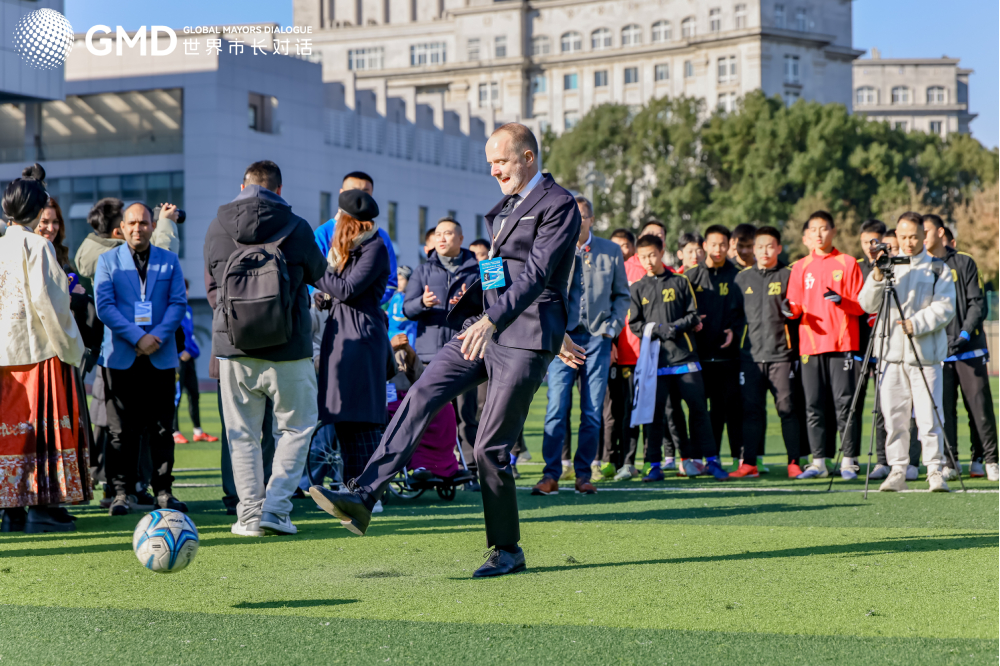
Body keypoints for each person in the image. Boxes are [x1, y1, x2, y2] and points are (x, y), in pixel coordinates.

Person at [309, 123, 584, 578]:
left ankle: (507, 549)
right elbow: (497, 272)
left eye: (501, 161)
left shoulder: (559, 205)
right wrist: (482, 313)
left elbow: (538, 275)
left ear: (529, 157)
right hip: (488, 329)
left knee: (490, 447)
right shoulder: (502, 208)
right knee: (422, 392)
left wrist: (534, 326)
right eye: (490, 161)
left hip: (524, 337)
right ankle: (362, 496)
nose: (493, 170)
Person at [204, 160, 327, 536]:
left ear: (242, 185)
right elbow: (319, 275)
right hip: (289, 347)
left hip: (235, 348)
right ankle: (276, 509)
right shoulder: (297, 226)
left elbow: (212, 287)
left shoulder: (217, 225)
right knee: (296, 428)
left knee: (241, 435)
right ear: (279, 188)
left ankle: (249, 515)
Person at [0, 167, 90, 534]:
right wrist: (72, 346)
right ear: (37, 211)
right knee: (44, 431)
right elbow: (48, 302)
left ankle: (12, 510)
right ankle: (43, 506)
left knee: (11, 432)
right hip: (38, 350)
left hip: (5, 353)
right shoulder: (38, 246)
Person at [95, 201, 188, 515]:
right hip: (121, 356)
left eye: (145, 223)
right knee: (121, 431)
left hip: (160, 355)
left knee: (162, 428)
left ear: (153, 225)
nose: (138, 229)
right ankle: (121, 492)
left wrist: (156, 338)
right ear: (122, 227)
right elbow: (105, 306)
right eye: (132, 223)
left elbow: (177, 303)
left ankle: (163, 491)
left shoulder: (170, 261)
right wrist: (138, 337)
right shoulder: (107, 261)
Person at [534, 196, 629, 496]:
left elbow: (622, 296)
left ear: (590, 219)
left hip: (597, 339)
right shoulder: (554, 249)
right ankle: (550, 474)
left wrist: (610, 330)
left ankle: (583, 475)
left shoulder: (611, 251)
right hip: (563, 341)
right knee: (556, 407)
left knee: (591, 411)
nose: (576, 221)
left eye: (582, 216)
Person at [858, 212, 955, 492]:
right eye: (902, 237)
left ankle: (934, 470)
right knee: (894, 416)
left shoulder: (938, 268)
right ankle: (898, 469)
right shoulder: (888, 266)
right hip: (890, 354)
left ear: (924, 235)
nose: (908, 242)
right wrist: (877, 275)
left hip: (925, 355)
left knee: (930, 415)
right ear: (896, 237)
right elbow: (866, 304)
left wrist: (917, 323)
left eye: (914, 236)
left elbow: (946, 308)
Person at [314, 189, 392, 498]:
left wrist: (316, 269)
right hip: (343, 334)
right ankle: (352, 488)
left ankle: (369, 491)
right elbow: (341, 292)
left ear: (349, 223)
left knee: (362, 418)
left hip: (360, 337)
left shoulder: (374, 248)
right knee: (344, 416)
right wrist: (324, 297)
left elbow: (347, 289)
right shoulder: (355, 250)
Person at [628, 234, 715, 480]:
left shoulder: (680, 281)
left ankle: (712, 461)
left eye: (652, 255)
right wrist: (657, 329)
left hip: (685, 358)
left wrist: (674, 328)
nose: (648, 261)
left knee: (698, 410)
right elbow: (635, 324)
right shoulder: (637, 287)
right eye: (643, 257)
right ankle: (654, 465)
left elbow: (693, 315)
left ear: (662, 252)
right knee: (655, 415)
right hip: (654, 363)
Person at [786, 211, 866, 479]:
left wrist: (840, 300)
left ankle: (849, 462)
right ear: (807, 235)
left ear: (833, 231)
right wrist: (789, 311)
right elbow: (795, 306)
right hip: (810, 346)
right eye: (814, 230)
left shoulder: (848, 263)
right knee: (813, 405)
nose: (819, 234)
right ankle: (818, 461)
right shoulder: (799, 267)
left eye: (824, 229)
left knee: (845, 404)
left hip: (841, 344)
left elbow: (860, 305)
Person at [404, 217, 481, 483]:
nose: (442, 238)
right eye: (438, 234)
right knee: (431, 415)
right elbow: (407, 309)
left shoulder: (477, 270)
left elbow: (492, 307)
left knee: (465, 416)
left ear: (461, 239)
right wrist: (422, 303)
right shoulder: (422, 270)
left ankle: (470, 470)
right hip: (429, 356)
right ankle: (429, 468)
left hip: (467, 352)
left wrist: (469, 304)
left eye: (448, 234)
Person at [923, 214, 998, 481]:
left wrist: (964, 334)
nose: (921, 237)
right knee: (943, 409)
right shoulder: (920, 267)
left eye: (926, 230)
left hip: (969, 348)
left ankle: (989, 460)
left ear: (940, 232)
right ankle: (950, 462)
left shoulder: (963, 261)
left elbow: (977, 304)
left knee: (979, 406)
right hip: (937, 352)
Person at [732, 227, 802, 478]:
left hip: (781, 356)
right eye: (759, 246)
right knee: (751, 411)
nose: (764, 251)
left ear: (779, 248)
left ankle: (794, 462)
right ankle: (749, 462)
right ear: (753, 249)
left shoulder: (789, 275)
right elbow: (735, 316)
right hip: (750, 357)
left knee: (787, 409)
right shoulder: (742, 278)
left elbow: (797, 314)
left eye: (770, 246)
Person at [683, 225, 740, 480]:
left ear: (729, 247)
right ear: (704, 245)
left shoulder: (737, 276)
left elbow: (742, 313)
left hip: (727, 357)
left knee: (721, 410)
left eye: (723, 245)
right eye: (713, 244)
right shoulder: (690, 277)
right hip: (697, 356)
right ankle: (694, 459)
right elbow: (681, 312)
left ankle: (714, 458)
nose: (718, 250)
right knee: (697, 408)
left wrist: (733, 330)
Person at [313, 171, 397, 304]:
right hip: (329, 311)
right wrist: (321, 296)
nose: (358, 197)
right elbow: (314, 283)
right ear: (341, 193)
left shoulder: (380, 239)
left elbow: (390, 282)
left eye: (365, 192)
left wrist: (369, 302)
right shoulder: (323, 233)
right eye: (352, 192)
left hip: (363, 313)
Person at [601, 228, 642, 479]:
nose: (619, 251)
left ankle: (630, 460)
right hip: (605, 348)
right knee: (606, 411)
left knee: (630, 411)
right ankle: (604, 459)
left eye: (624, 246)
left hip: (632, 353)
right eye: (614, 245)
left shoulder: (640, 271)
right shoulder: (601, 267)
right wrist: (610, 341)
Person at [172, 280, 218, 445]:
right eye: (182, 289)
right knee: (176, 396)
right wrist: (180, 352)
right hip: (177, 360)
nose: (185, 293)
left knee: (194, 395)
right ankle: (175, 431)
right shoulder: (172, 309)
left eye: (186, 290)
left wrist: (191, 352)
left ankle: (198, 431)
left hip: (189, 359)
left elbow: (190, 337)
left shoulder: (188, 309)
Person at [387, 265, 417, 348]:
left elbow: (401, 321)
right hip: (392, 342)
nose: (398, 282)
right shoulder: (395, 297)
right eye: (397, 279)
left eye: (401, 279)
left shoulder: (414, 299)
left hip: (408, 344)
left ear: (409, 280)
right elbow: (389, 317)